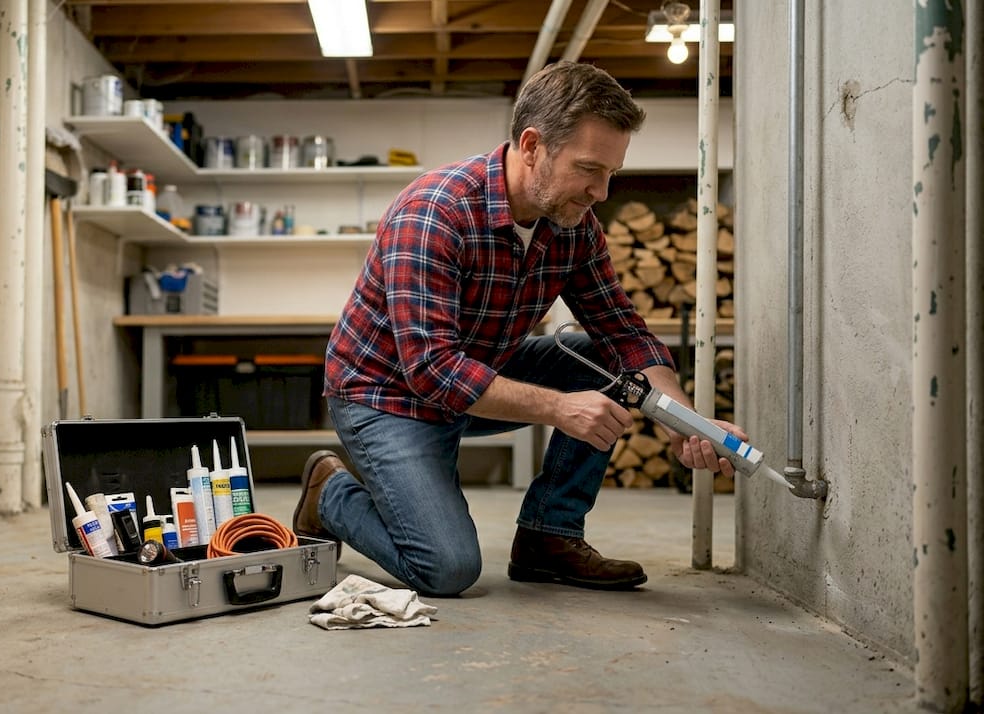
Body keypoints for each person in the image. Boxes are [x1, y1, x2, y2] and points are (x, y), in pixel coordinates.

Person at [292, 60, 746, 597]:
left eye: (611, 174)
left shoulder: (574, 226)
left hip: (478, 372)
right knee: (447, 568)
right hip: (388, 396)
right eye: (588, 169)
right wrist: (558, 407)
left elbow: (622, 332)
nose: (601, 191)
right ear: (532, 146)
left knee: (605, 364)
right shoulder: (435, 212)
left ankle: (548, 538)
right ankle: (329, 496)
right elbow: (434, 371)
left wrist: (683, 419)